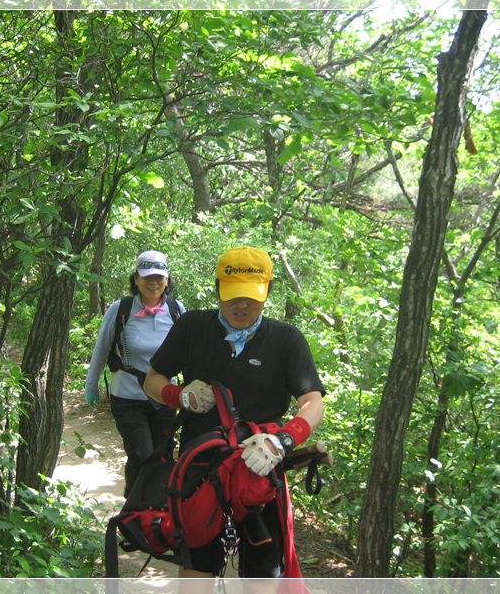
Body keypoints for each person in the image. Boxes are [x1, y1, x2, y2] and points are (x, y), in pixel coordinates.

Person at [143, 246, 325, 590]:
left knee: (261, 580)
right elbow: (152, 380)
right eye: (232, 297)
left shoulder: (286, 340)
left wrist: (283, 439)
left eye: (252, 298)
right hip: (200, 472)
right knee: (196, 575)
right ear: (217, 289)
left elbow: (312, 402)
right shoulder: (192, 327)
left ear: (267, 292)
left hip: (260, 472)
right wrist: (179, 395)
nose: (242, 307)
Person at [84, 250, 187, 498]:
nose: (153, 282)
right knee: (140, 454)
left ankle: (160, 510)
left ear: (167, 279)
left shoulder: (177, 309)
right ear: (136, 279)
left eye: (159, 277)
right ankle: (134, 506)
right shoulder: (121, 309)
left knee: (163, 455)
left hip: (165, 397)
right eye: (147, 276)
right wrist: (91, 385)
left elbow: (188, 349)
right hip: (128, 395)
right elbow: (102, 347)